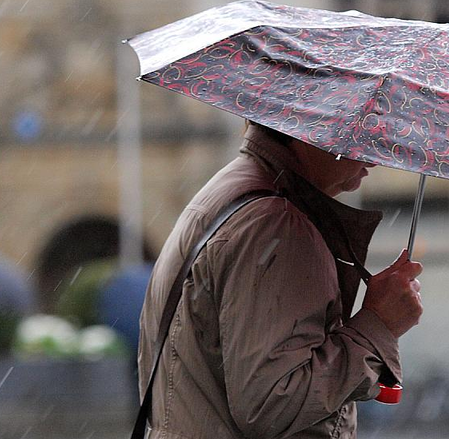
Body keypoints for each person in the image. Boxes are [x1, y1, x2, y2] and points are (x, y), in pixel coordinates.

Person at [137, 122, 424, 439]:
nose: (374, 158)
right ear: (316, 126)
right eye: (362, 132)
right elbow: (273, 405)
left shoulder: (234, 191)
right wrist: (378, 326)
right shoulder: (276, 225)